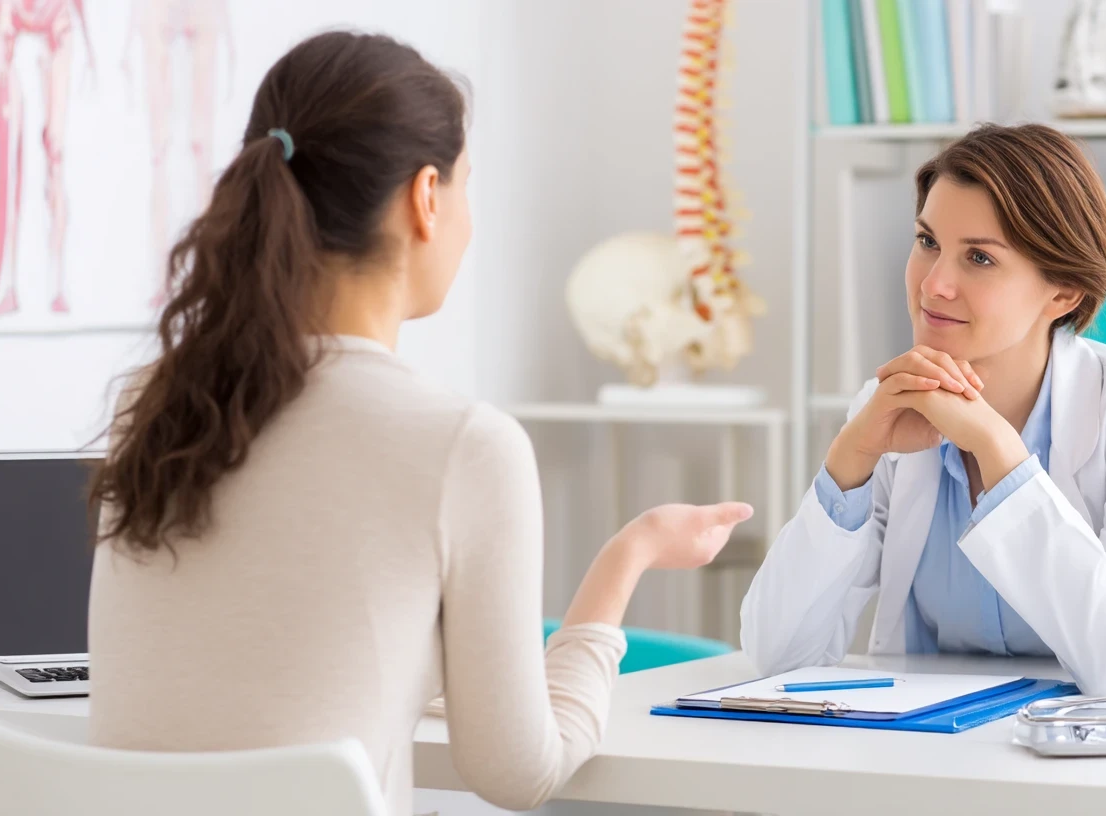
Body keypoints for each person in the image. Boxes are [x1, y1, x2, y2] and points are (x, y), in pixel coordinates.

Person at [85, 31, 752, 816]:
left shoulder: (151, 404)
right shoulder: (463, 444)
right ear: (425, 197)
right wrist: (629, 556)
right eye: (467, 186)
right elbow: (519, 774)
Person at [740, 124, 1106, 696]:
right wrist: (849, 460)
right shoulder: (892, 411)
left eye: (978, 257)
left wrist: (1000, 455)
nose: (935, 284)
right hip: (948, 753)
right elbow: (779, 657)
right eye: (928, 242)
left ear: (1063, 293)